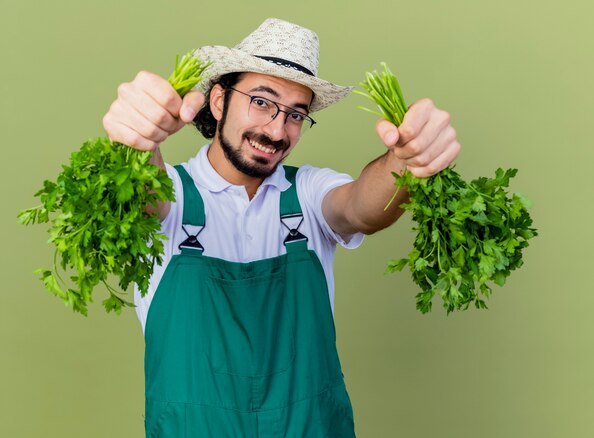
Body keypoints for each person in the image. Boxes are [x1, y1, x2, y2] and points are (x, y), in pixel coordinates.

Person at [102, 18, 460, 437]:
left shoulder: (308, 194)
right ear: (218, 101)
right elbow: (143, 193)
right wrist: (135, 143)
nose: (276, 129)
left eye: (295, 114)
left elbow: (361, 208)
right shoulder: (173, 197)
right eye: (261, 101)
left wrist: (407, 160)